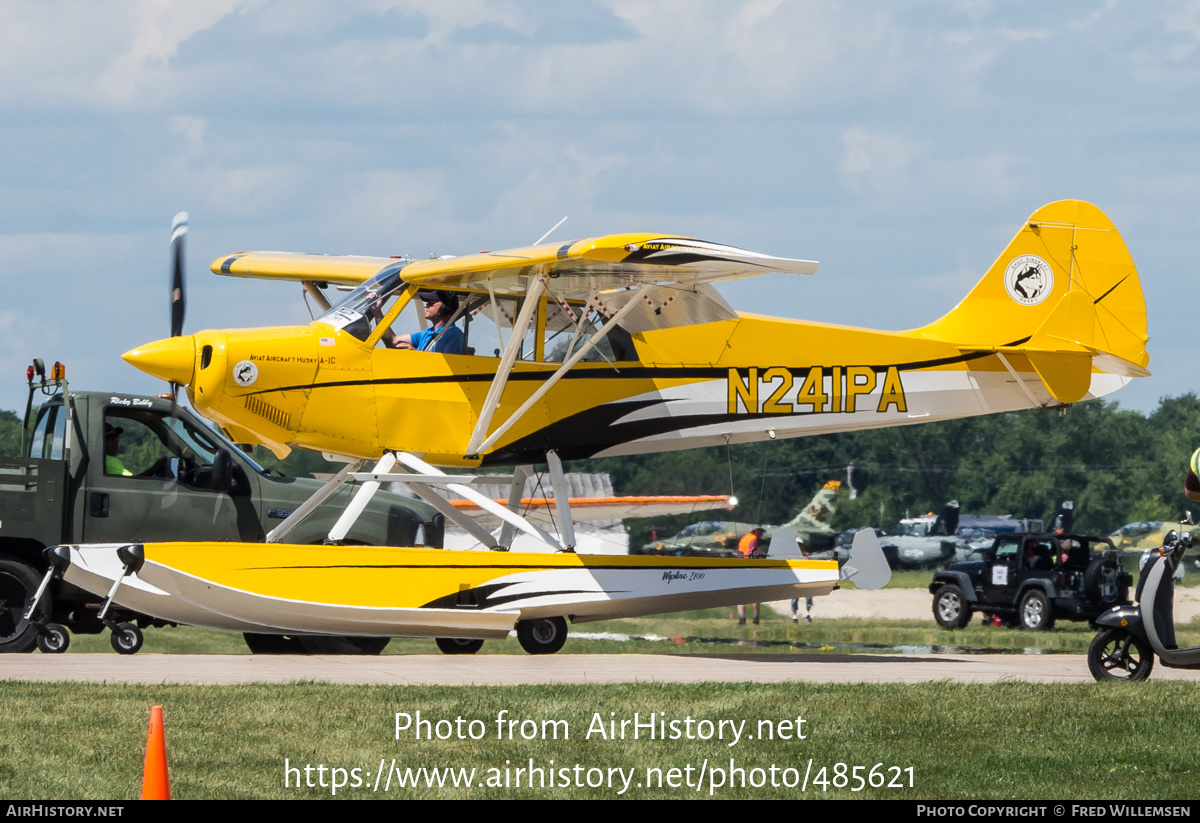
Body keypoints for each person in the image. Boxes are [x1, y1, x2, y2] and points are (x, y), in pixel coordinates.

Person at [385, 290, 464, 354]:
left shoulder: (454, 334)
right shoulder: (427, 333)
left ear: (446, 308)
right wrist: (377, 312)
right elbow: (393, 341)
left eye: (431, 303)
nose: (426, 305)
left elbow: (446, 369)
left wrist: (415, 353)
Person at [736, 527, 765, 625]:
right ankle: (756, 618)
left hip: (740, 568)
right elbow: (751, 553)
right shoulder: (753, 539)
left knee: (741, 594)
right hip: (750, 569)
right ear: (756, 531)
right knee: (755, 593)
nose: (762, 535)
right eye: (761, 532)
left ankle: (741, 617)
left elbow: (740, 553)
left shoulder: (744, 539)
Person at [791, 537, 814, 624]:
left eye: (799, 545)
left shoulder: (806, 555)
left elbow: (809, 564)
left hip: (806, 578)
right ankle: (794, 615)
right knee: (794, 599)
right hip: (796, 579)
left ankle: (808, 614)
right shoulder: (793, 556)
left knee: (808, 598)